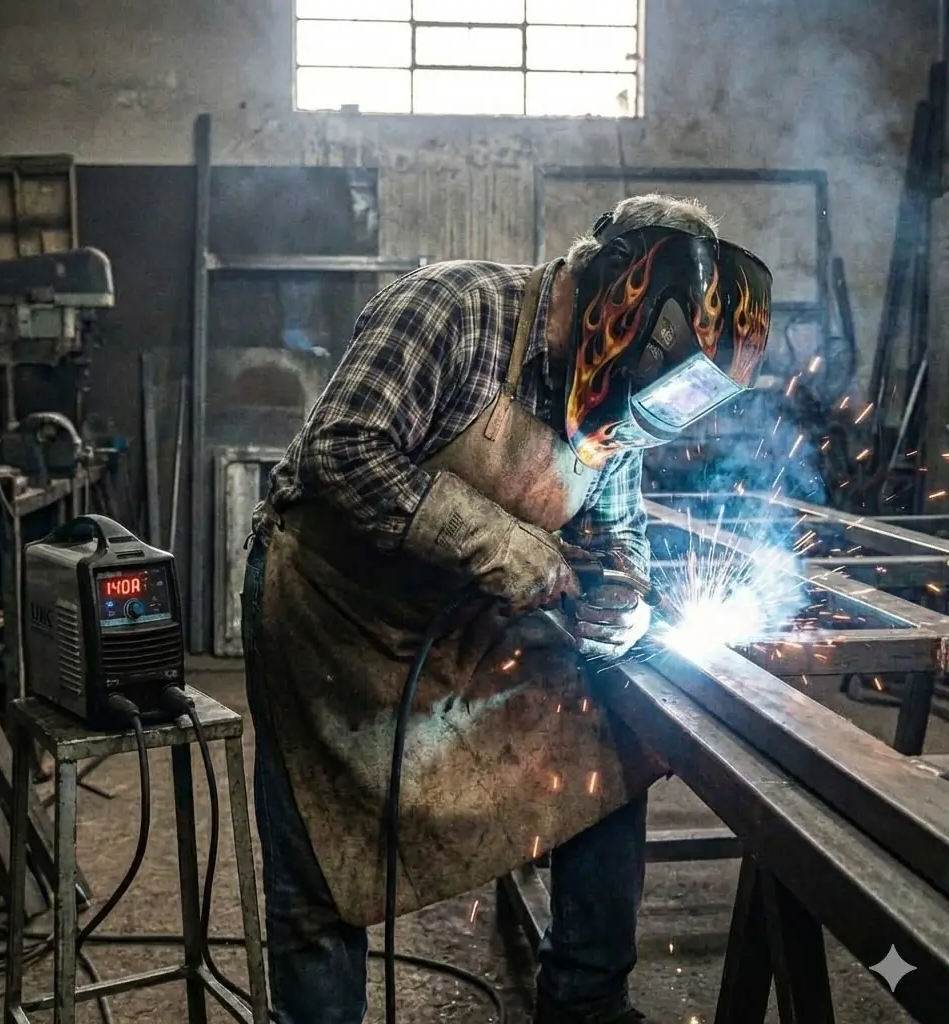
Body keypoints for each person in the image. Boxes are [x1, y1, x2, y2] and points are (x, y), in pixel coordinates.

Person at [242, 193, 773, 1024]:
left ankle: (587, 1005)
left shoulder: (616, 400)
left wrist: (624, 600)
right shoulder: (453, 310)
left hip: (466, 623)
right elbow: (340, 449)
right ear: (614, 299)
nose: (618, 424)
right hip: (334, 616)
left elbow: (616, 527)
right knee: (319, 873)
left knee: (612, 747)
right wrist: (500, 542)